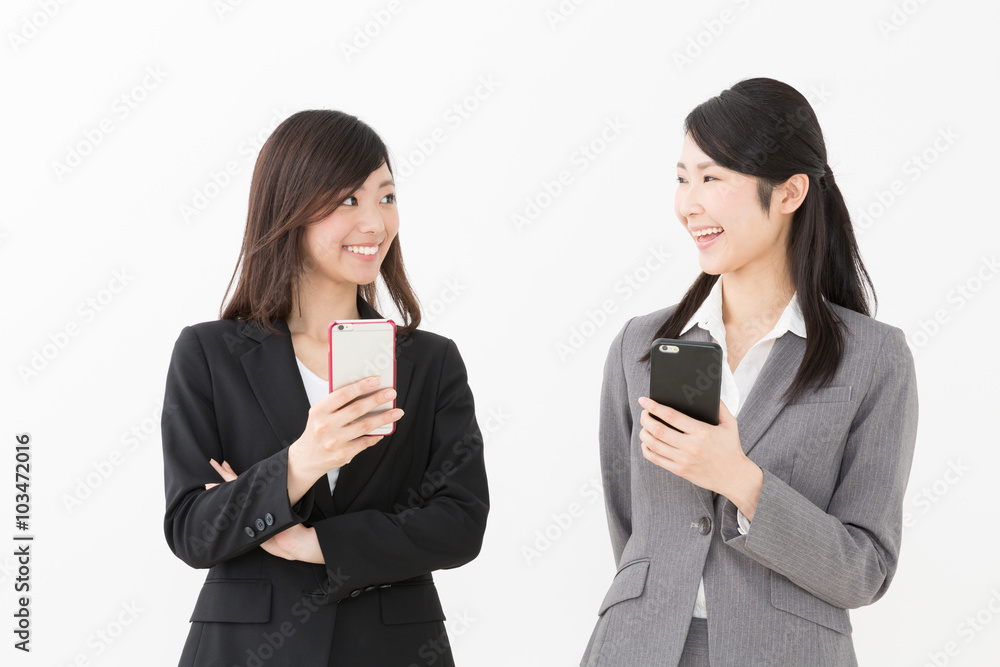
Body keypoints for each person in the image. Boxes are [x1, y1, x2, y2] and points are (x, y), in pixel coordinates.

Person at [580, 78, 918, 666]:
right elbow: (633, 531)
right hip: (640, 648)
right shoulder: (643, 344)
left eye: (712, 178)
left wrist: (741, 480)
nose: (690, 204)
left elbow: (865, 571)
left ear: (789, 193)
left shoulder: (873, 358)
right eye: (682, 178)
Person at [161, 110, 489, 667]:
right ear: (289, 210)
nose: (376, 223)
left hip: (393, 648)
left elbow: (459, 523)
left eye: (385, 197)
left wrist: (315, 546)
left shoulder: (430, 360)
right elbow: (192, 529)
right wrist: (300, 463)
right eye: (347, 201)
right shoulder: (210, 354)